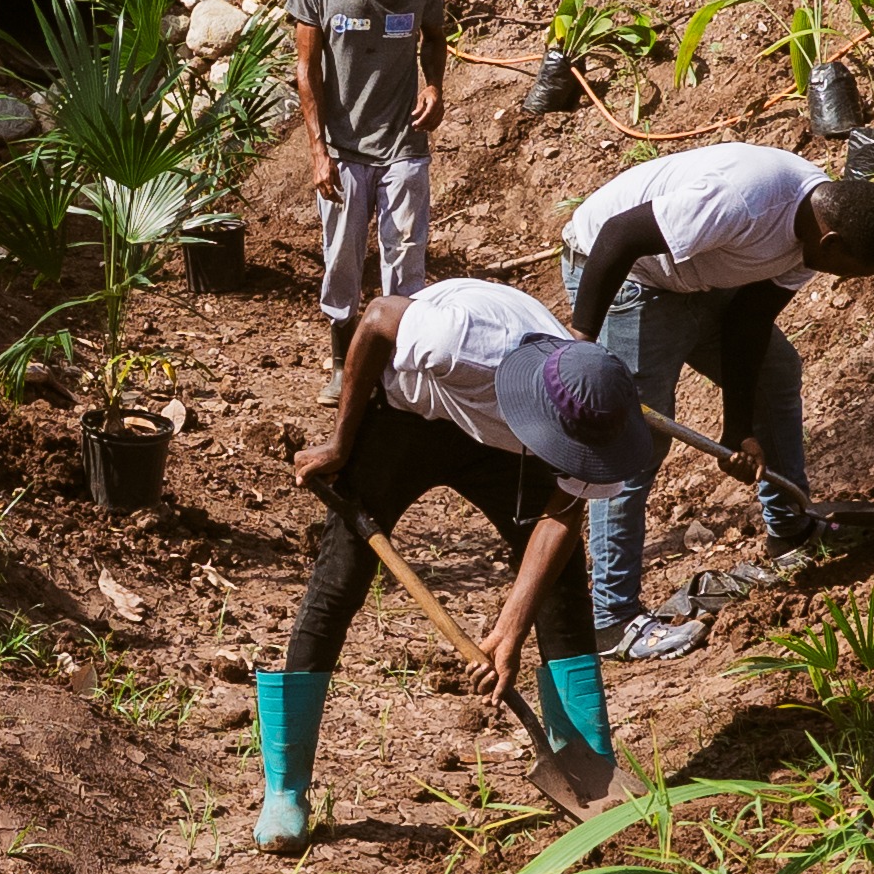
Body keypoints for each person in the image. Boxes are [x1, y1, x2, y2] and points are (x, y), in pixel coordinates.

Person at [254, 275, 666, 842]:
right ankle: (285, 788)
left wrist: (509, 630)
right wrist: (341, 443)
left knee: (562, 589)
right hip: (407, 413)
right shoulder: (460, 343)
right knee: (339, 581)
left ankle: (590, 762)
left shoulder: (597, 421)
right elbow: (376, 318)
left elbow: (562, 516)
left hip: (505, 447)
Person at [560, 144, 874, 653]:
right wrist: (582, 342)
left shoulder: (814, 235)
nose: (845, 280)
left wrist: (738, 428)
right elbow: (619, 235)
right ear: (832, 242)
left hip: (698, 274)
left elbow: (748, 324)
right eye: (851, 271)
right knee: (635, 444)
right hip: (626, 276)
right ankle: (613, 617)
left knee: (776, 372)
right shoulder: (743, 199)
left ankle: (791, 530)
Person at [288, 0, 449, 374]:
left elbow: (435, 39)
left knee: (406, 256)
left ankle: (394, 371)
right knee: (342, 259)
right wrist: (318, 152)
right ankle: (343, 366)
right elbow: (306, 72)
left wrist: (434, 86)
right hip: (343, 147)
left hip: (404, 141)